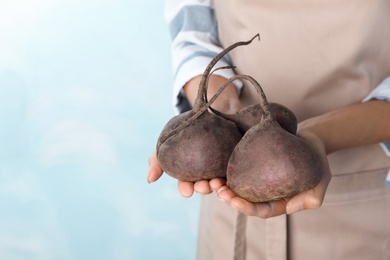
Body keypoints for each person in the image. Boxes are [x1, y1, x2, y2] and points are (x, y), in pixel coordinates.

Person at [148, 0, 390, 259]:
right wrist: (217, 104)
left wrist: (318, 137)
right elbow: (192, 22)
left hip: (361, 206)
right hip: (228, 207)